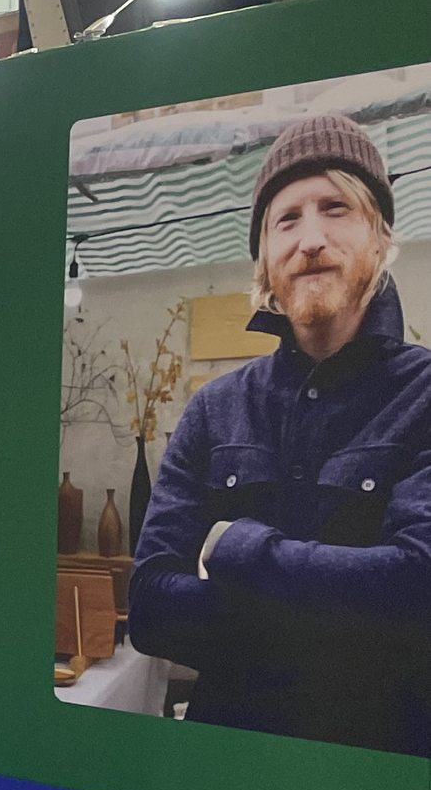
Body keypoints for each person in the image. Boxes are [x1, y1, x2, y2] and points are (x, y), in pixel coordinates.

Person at [131, 112, 431, 754]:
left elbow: (420, 593)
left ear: (380, 237)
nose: (311, 238)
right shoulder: (215, 409)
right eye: (286, 219)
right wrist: (352, 611)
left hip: (383, 780)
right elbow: (152, 605)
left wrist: (239, 551)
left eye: (336, 208)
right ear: (264, 257)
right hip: (228, 771)